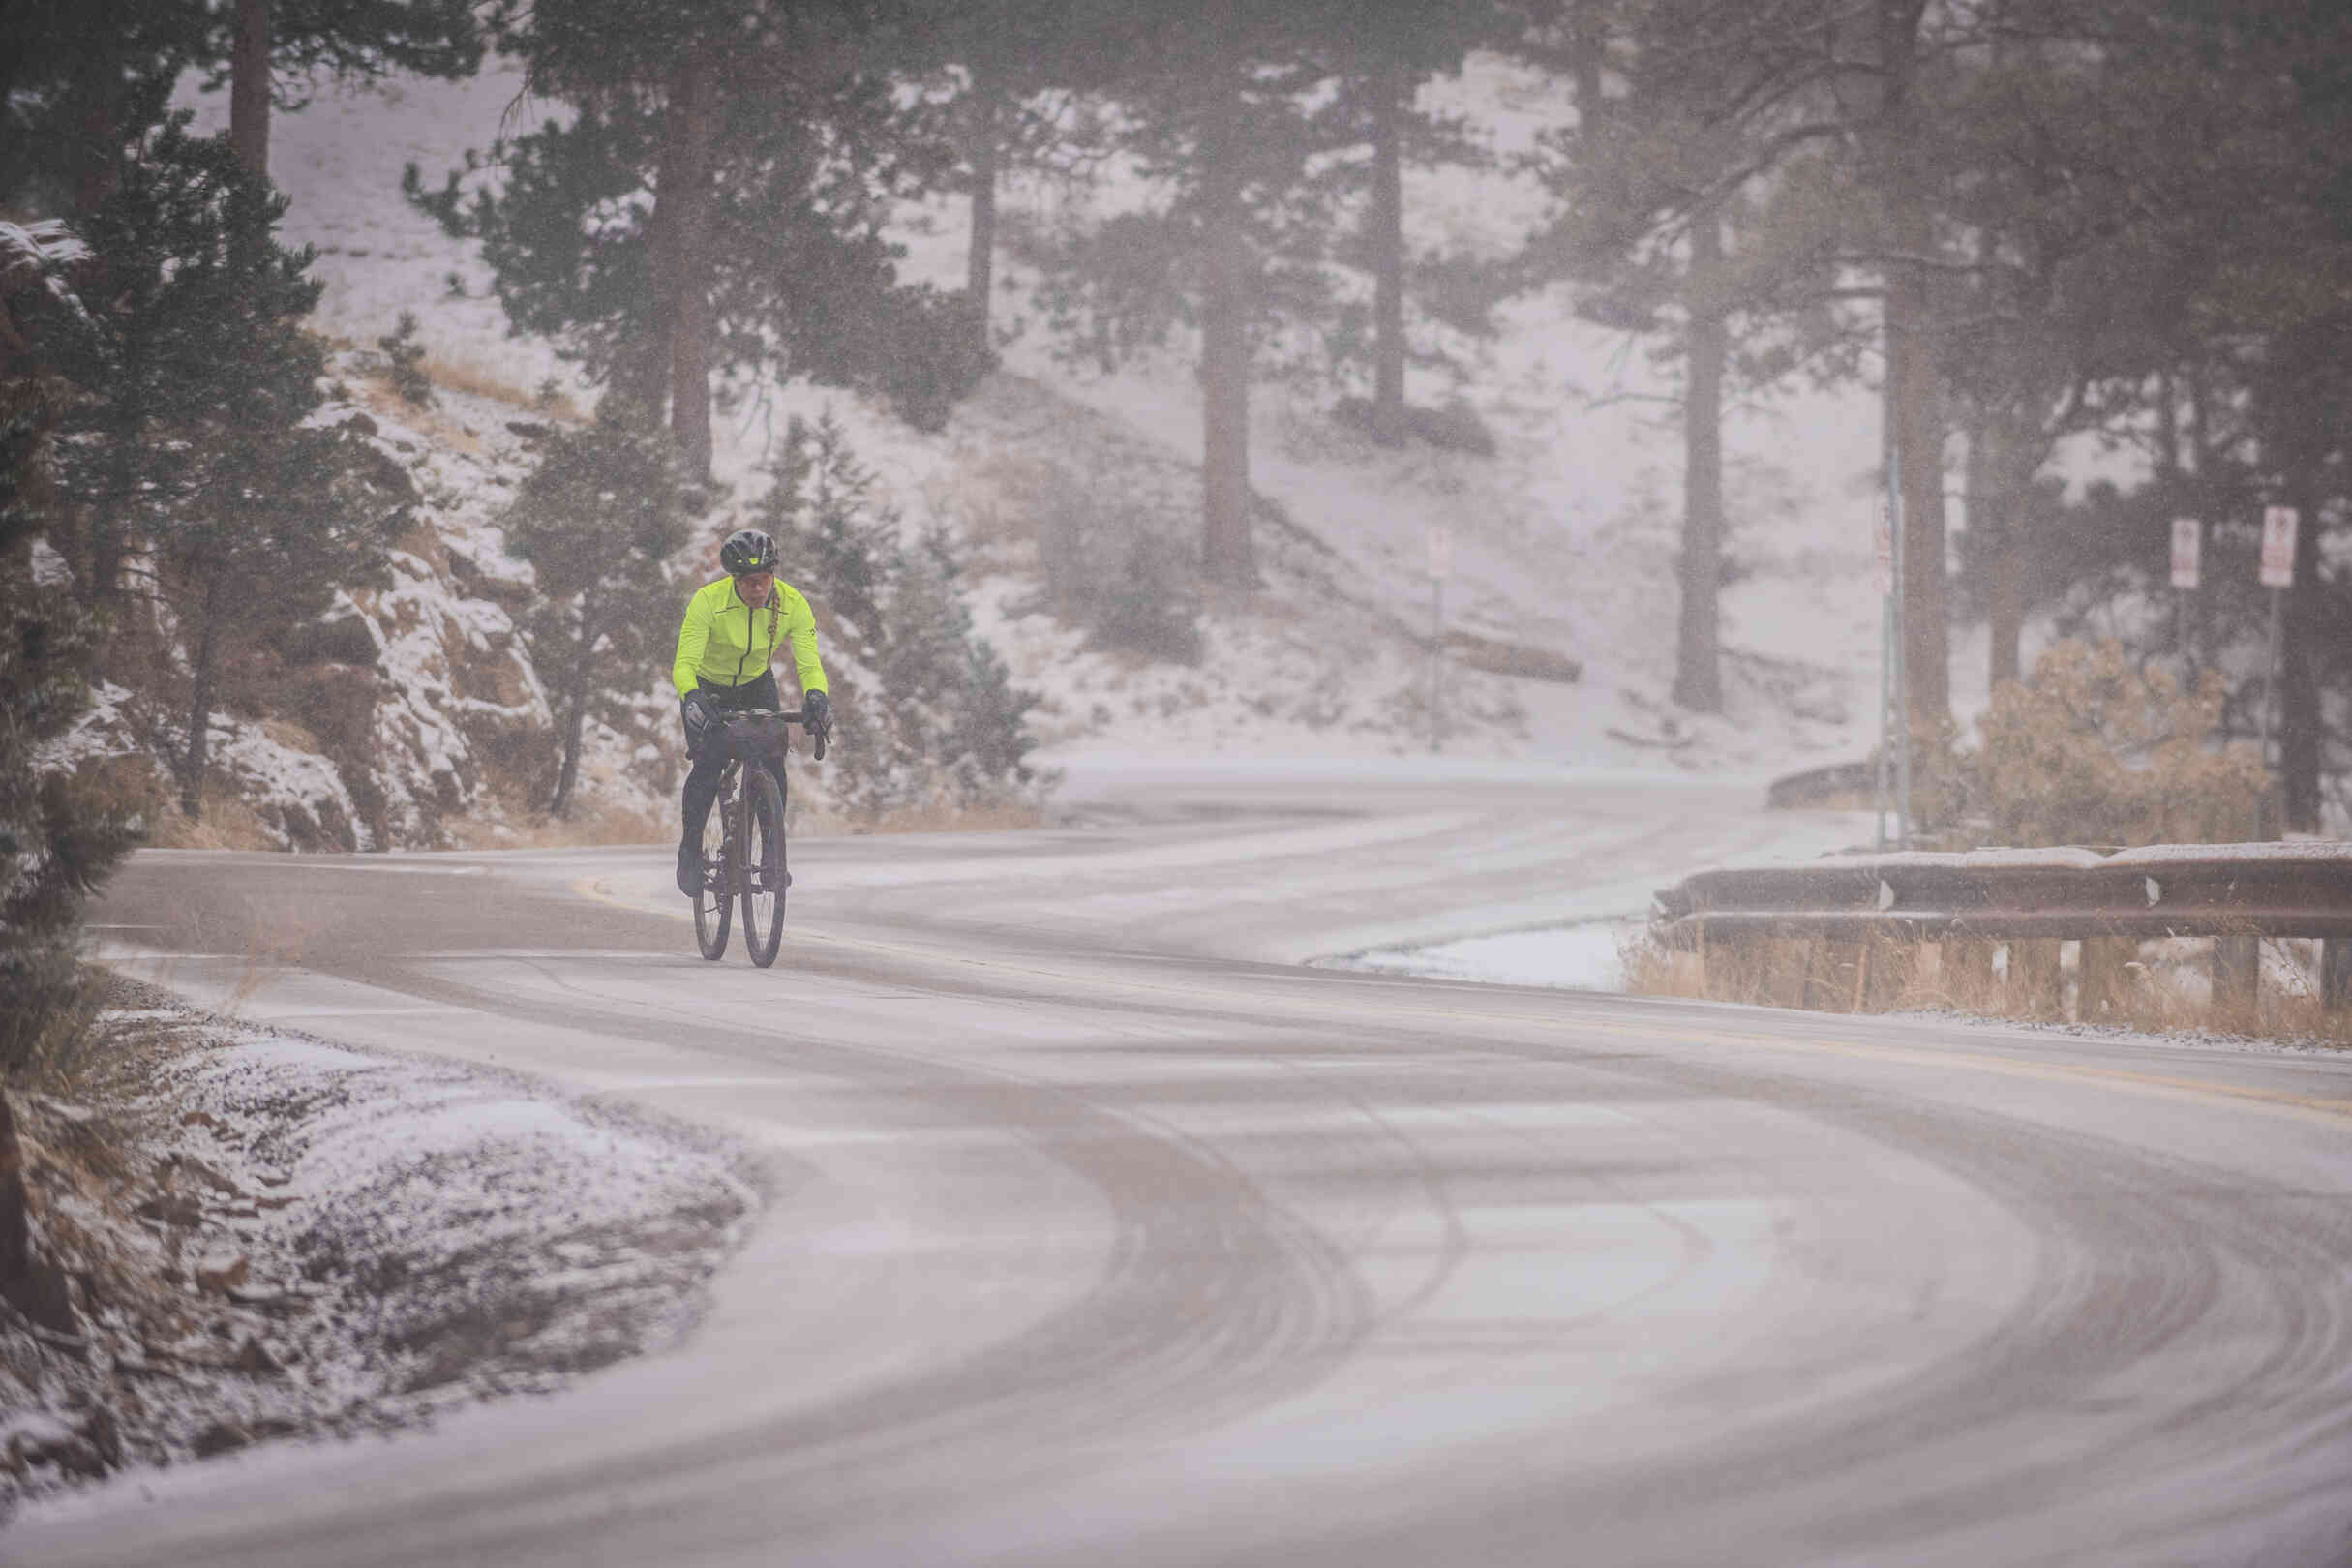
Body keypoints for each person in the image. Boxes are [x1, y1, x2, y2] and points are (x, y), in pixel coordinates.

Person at [672, 528, 830, 896]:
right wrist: (692, 696)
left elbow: (809, 662)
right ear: (734, 580)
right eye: (748, 582)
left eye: (763, 580)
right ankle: (690, 850)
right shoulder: (707, 602)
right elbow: (684, 664)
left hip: (756, 684)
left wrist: (817, 695)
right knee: (708, 766)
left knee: (773, 759)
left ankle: (773, 851)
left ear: (773, 575)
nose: (758, 589)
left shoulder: (793, 604)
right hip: (707, 686)